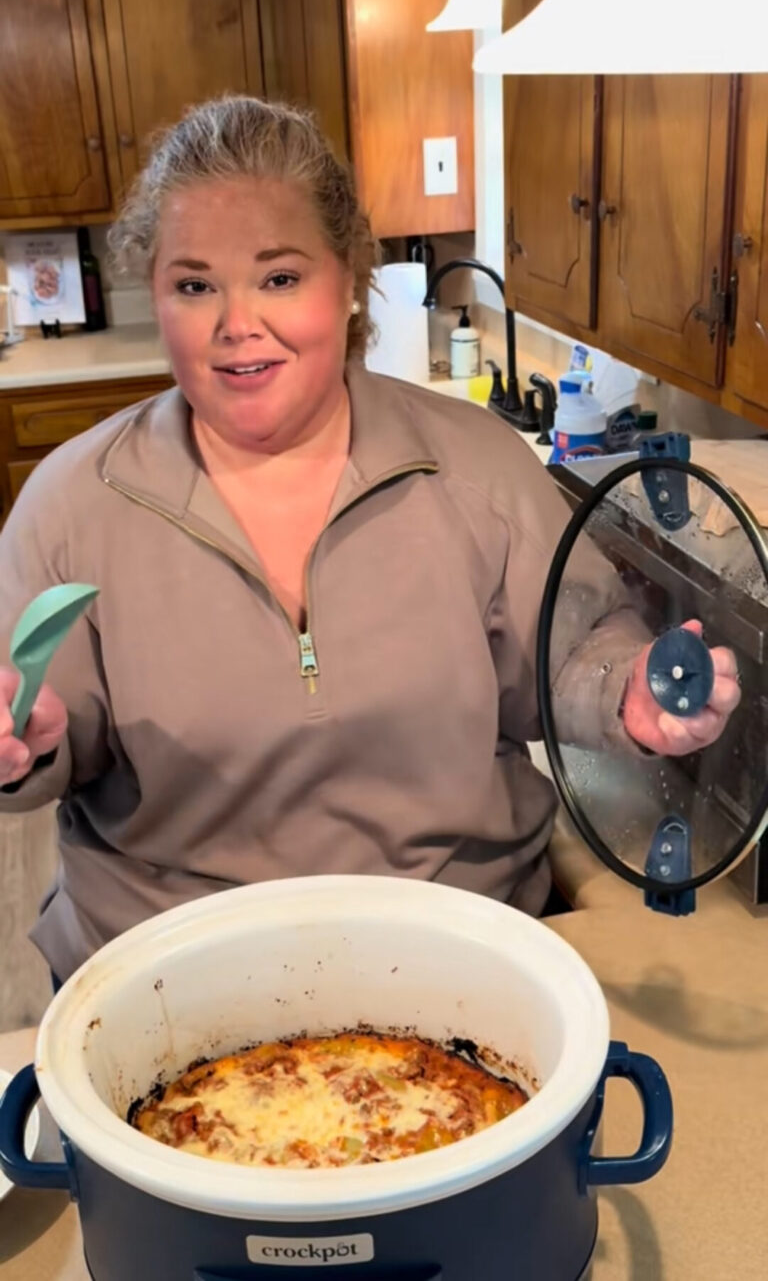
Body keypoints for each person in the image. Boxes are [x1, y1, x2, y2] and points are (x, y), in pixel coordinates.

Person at [0, 97, 740, 984]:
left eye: (279, 278)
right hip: (168, 977)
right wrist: (23, 743)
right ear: (154, 291)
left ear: (349, 278)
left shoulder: (476, 469)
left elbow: (576, 650)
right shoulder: (72, 504)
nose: (237, 325)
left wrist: (630, 693)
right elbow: (40, 744)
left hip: (457, 957)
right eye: (194, 284)